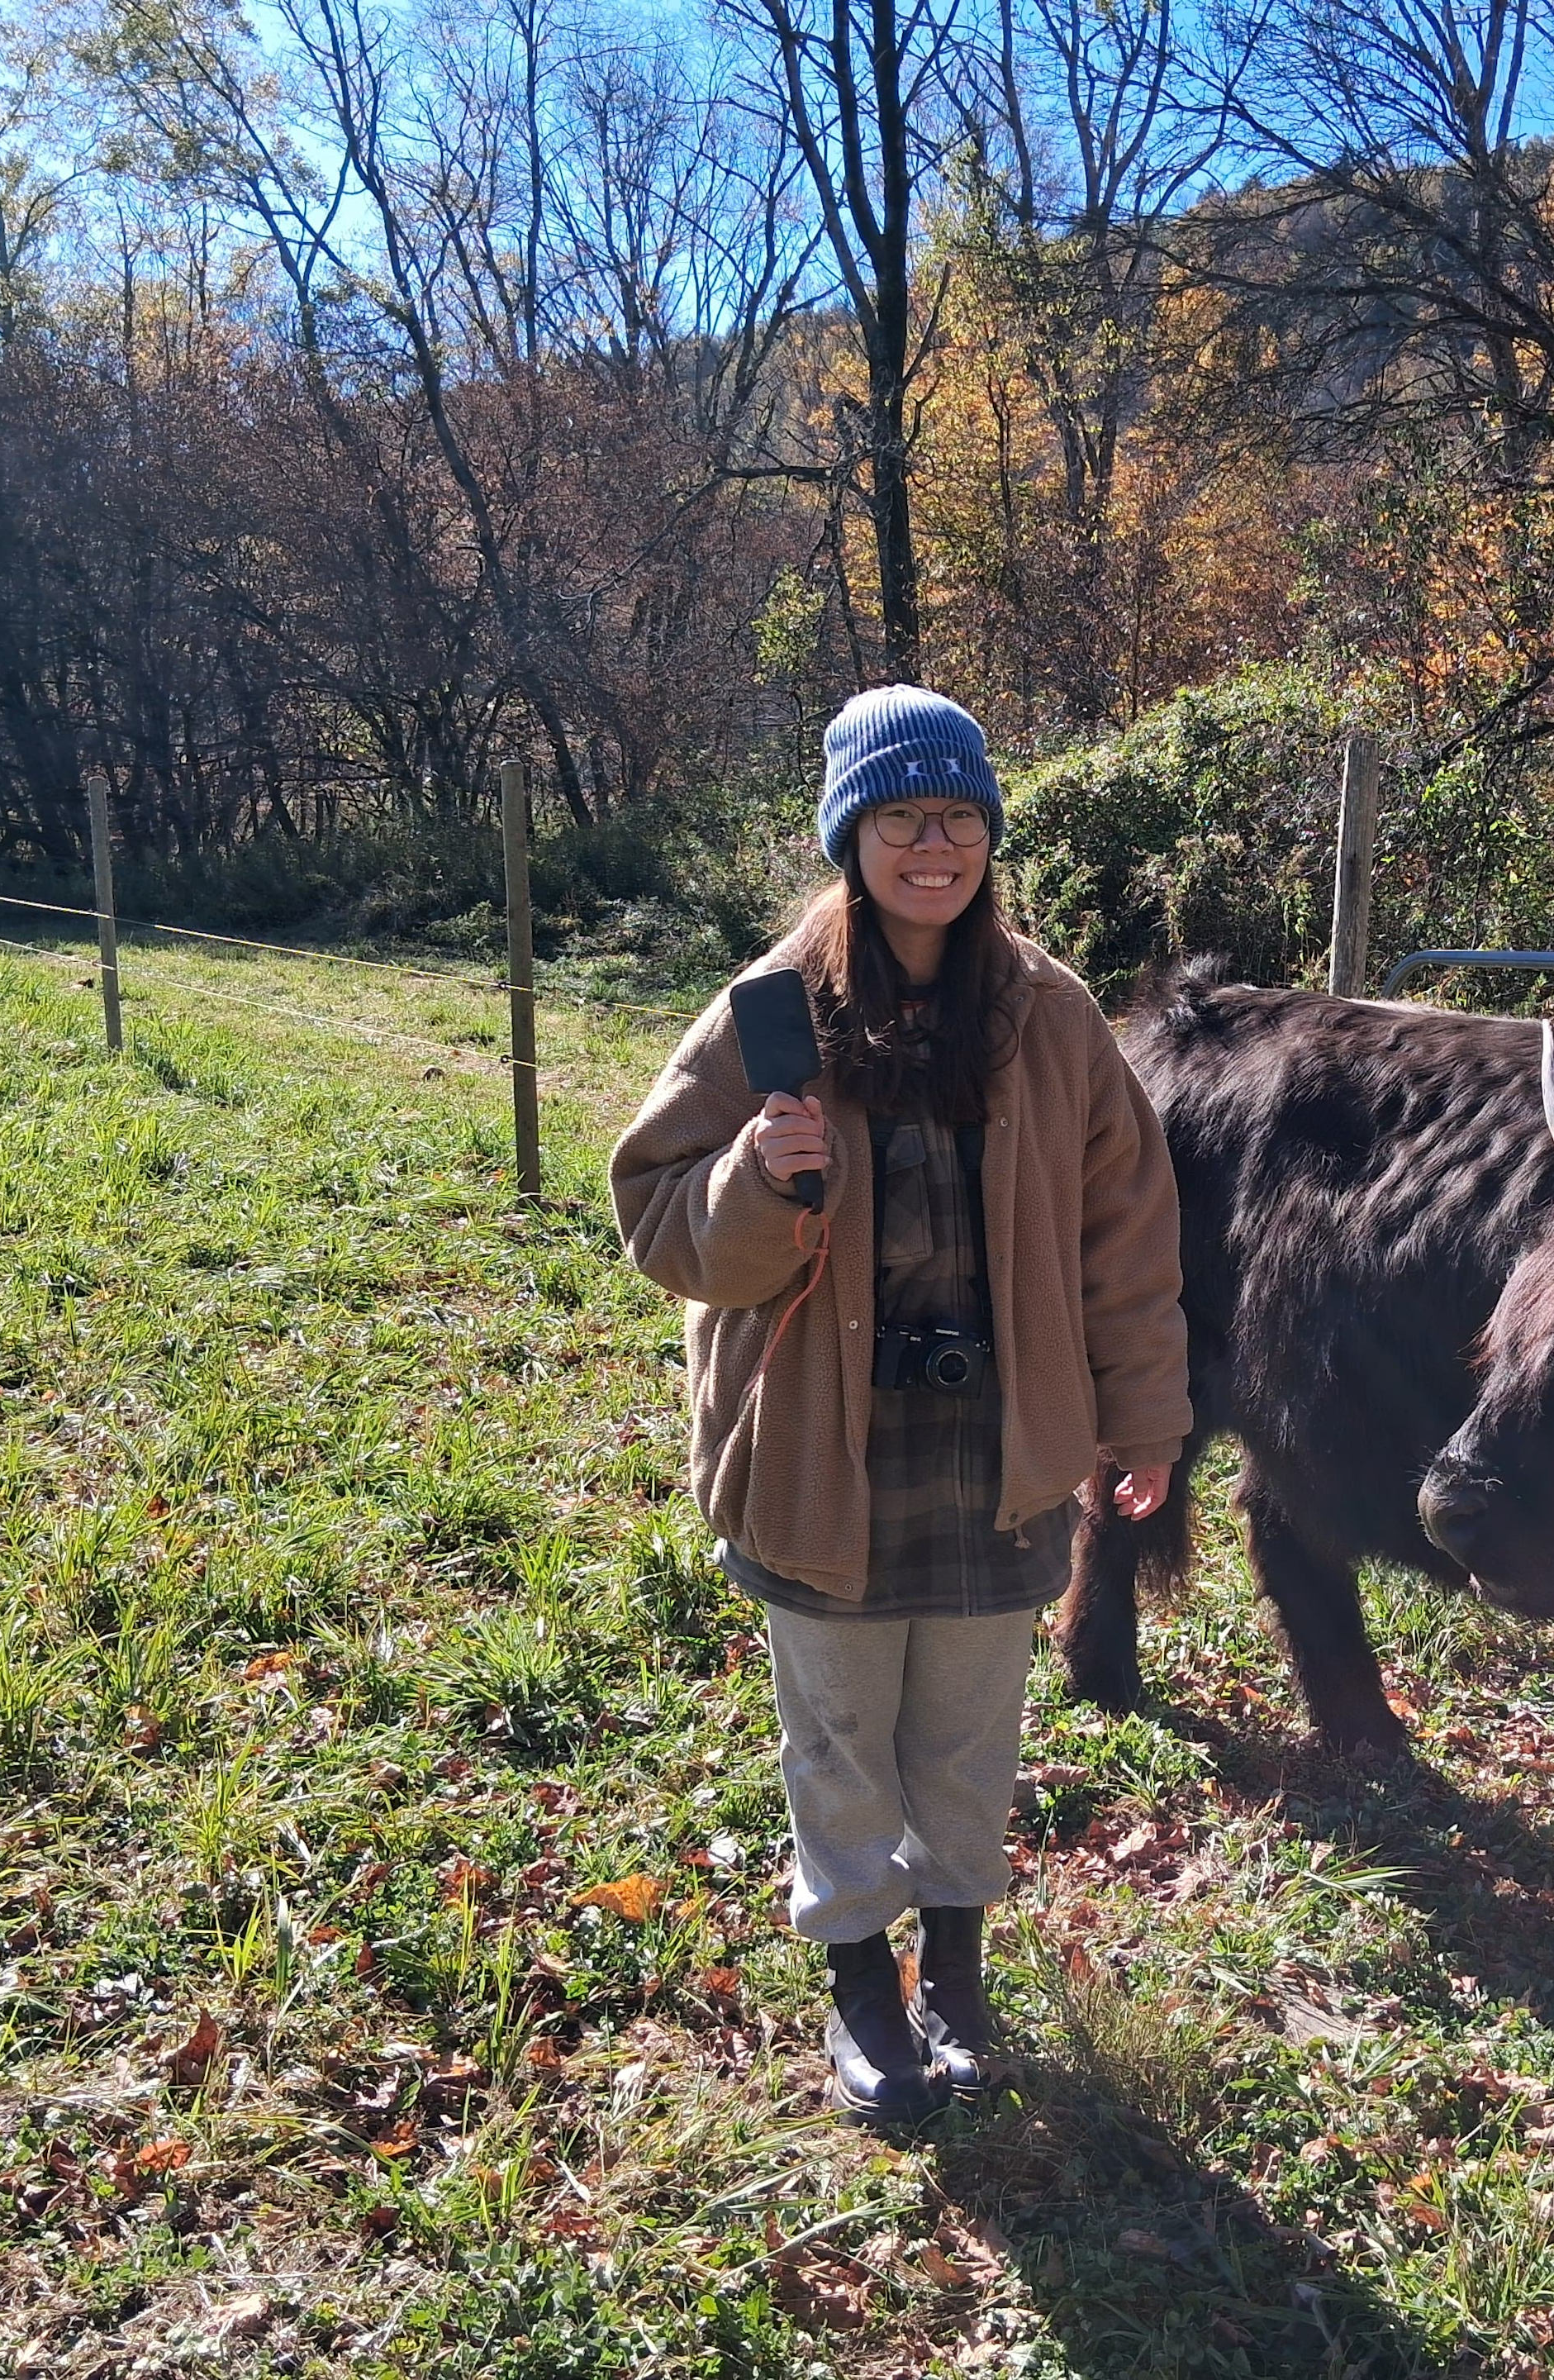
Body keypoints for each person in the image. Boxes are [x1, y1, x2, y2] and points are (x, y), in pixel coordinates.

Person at [611, 686, 1191, 2123]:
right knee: (843, 1734)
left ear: (987, 834)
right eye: (898, 818)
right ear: (849, 836)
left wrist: (1148, 1419)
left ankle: (959, 1971)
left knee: (968, 1731)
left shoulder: (1049, 1018)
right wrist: (758, 1176)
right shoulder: (769, 1013)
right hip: (826, 1448)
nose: (931, 847)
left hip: (1001, 1444)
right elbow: (659, 1220)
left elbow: (1127, 1237)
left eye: (957, 818)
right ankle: (862, 1994)